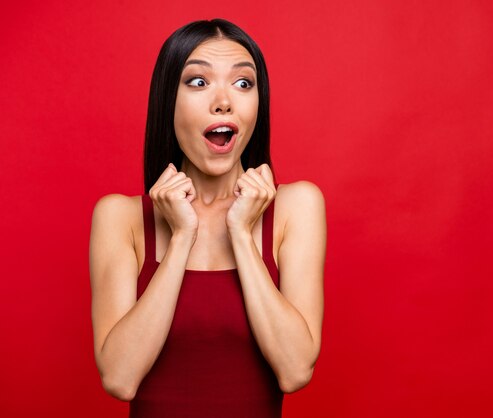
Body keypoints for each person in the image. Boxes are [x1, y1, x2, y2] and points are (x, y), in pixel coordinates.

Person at [89, 19, 326, 417]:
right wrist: (182, 236)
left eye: (243, 83)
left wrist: (241, 232)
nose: (223, 101)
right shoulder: (120, 217)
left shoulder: (297, 207)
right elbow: (119, 377)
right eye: (198, 82)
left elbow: (295, 369)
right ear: (168, 100)